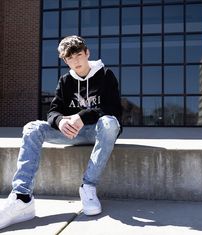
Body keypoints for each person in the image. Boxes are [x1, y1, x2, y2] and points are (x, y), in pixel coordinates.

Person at [0, 35, 122, 230]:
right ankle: (22, 197)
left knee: (109, 123)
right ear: (65, 60)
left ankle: (88, 187)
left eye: (79, 55)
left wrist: (82, 116)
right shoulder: (65, 80)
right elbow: (53, 111)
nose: (76, 61)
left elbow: (113, 109)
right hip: (72, 133)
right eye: (70, 58)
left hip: (98, 131)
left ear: (87, 53)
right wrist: (60, 121)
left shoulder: (106, 75)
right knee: (32, 128)